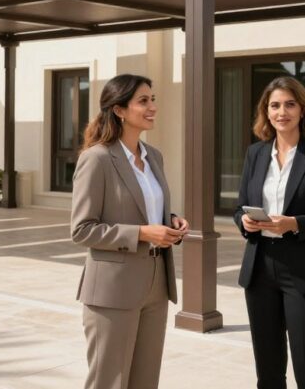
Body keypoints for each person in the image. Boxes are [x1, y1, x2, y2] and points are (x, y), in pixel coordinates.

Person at [70, 73, 189, 389]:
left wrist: (171, 220)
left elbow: (146, 208)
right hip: (113, 288)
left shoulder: (155, 158)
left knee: (145, 380)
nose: (152, 107)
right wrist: (142, 233)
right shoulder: (96, 159)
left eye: (153, 99)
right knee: (110, 381)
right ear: (119, 110)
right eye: (143, 101)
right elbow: (82, 229)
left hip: (156, 282)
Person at [233, 76, 305, 389]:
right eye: (275, 105)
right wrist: (244, 221)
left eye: (289, 104)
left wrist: (294, 224)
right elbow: (240, 206)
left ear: (303, 110)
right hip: (259, 269)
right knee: (267, 372)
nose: (282, 111)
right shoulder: (256, 153)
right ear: (266, 112)